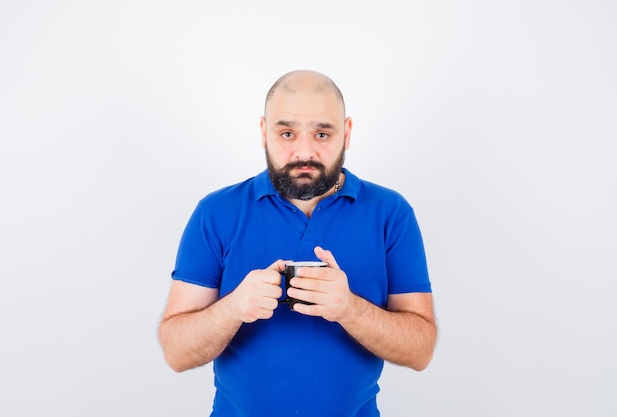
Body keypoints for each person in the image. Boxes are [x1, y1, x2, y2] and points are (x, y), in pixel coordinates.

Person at [158, 69, 437, 417]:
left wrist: (349, 309)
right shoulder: (216, 212)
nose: (304, 151)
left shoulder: (391, 213)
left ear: (347, 133)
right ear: (263, 132)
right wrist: (233, 308)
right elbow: (176, 352)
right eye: (287, 133)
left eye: (322, 133)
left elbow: (421, 350)